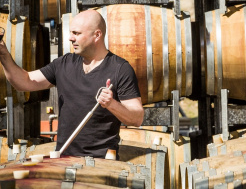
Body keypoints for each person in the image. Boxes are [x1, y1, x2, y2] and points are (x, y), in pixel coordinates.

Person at [0, 9, 144, 158]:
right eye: (71, 33)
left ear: (97, 35)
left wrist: (111, 104)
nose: (70, 38)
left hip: (101, 164)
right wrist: (3, 54)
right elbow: (25, 82)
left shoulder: (120, 69)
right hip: (64, 159)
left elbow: (137, 118)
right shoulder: (64, 64)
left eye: (77, 33)